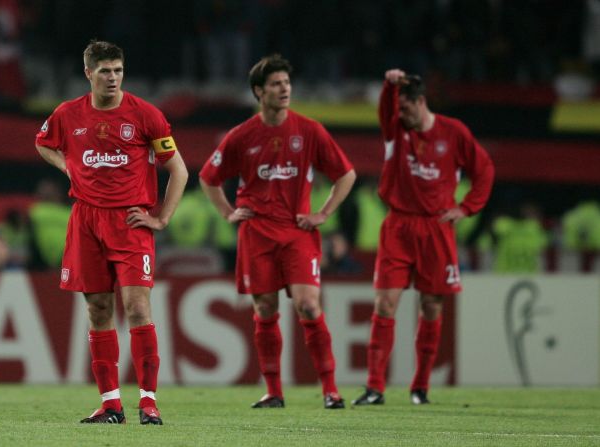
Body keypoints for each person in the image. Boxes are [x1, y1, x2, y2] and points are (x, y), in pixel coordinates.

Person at [35, 40, 188, 424]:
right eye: (105, 71)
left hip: (130, 222)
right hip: (86, 221)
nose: (113, 78)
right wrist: (68, 165)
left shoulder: (146, 114)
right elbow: (42, 143)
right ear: (89, 73)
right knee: (97, 309)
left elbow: (179, 171)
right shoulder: (68, 114)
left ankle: (149, 401)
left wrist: (162, 219)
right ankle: (110, 403)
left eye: (118, 70)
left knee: (137, 307)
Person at [199, 54, 356, 409]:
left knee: (308, 305)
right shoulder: (241, 136)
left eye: (286, 83)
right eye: (275, 84)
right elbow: (208, 177)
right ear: (259, 91)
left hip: (297, 232)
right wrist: (227, 212)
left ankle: (331, 390)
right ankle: (273, 391)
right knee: (266, 309)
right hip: (256, 234)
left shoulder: (310, 130)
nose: (284, 89)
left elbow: (346, 174)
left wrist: (324, 213)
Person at [352, 69, 494, 406]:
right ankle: (375, 387)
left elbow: (484, 169)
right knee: (385, 303)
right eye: (397, 109)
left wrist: (466, 208)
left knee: (431, 305)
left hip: (436, 228)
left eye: (405, 108)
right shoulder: (395, 132)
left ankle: (420, 386)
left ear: (420, 101)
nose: (400, 115)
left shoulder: (454, 132)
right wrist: (388, 85)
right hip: (399, 227)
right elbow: (386, 111)